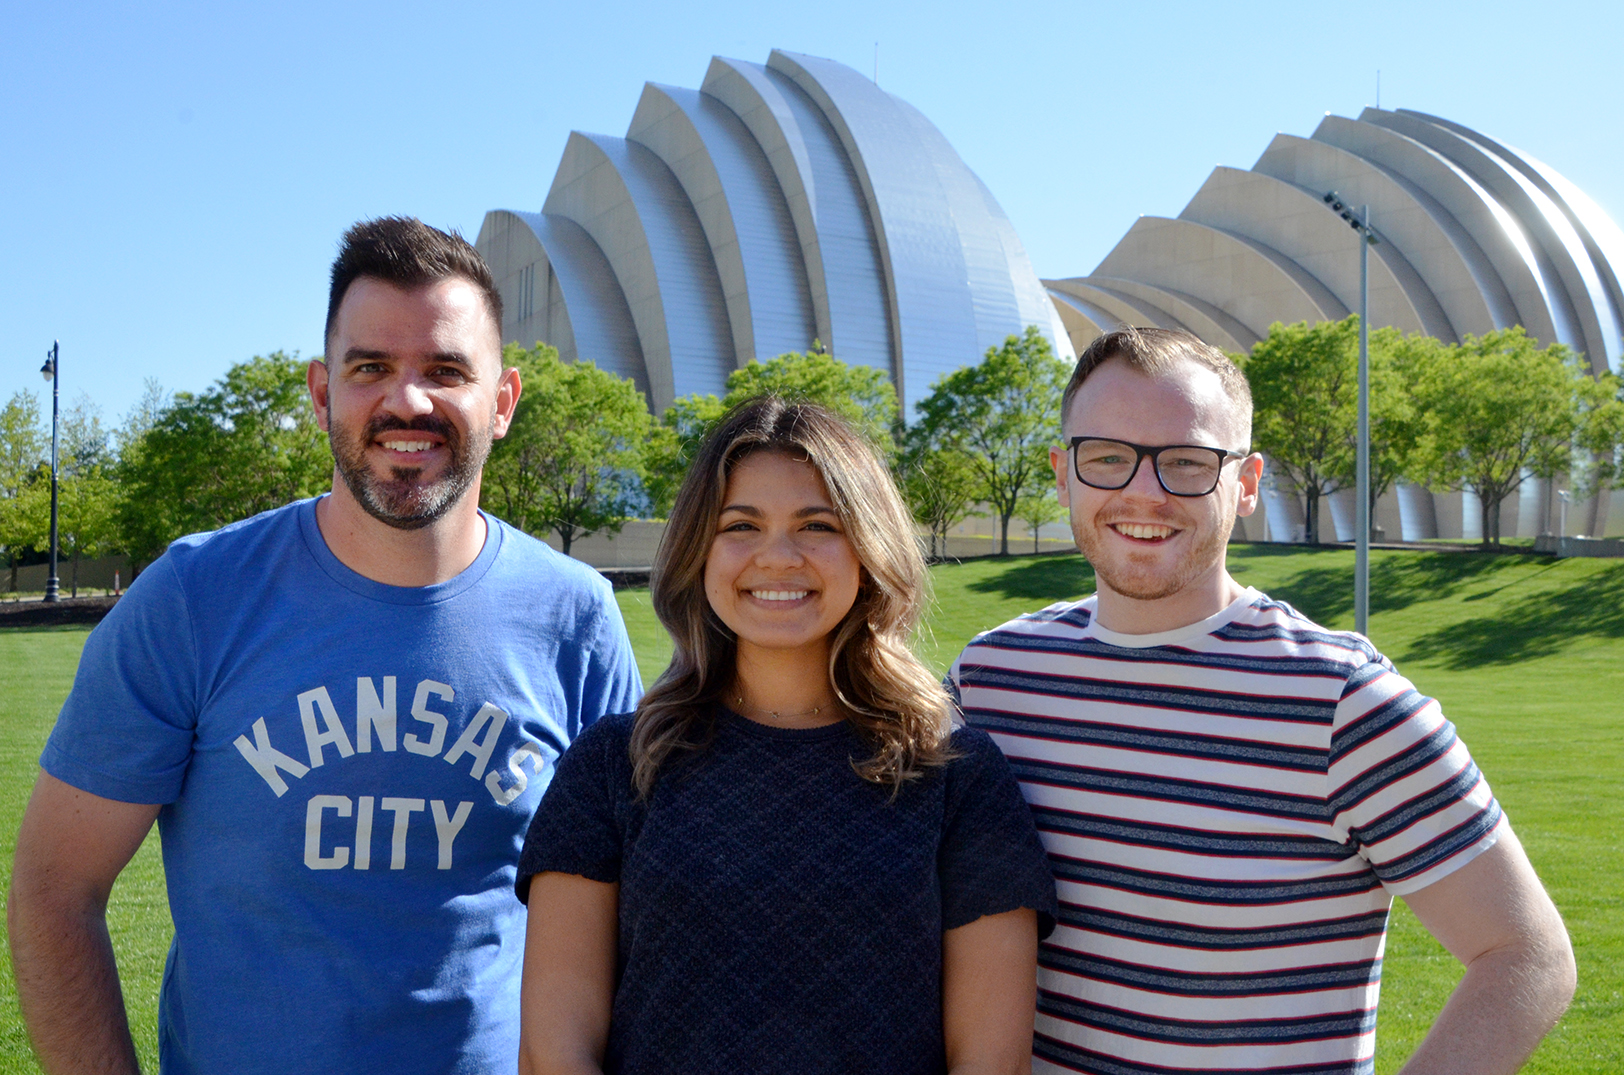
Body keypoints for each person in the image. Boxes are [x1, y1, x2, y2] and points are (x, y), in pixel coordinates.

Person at [7, 217, 642, 1075]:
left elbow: (630, 910)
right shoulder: (194, 598)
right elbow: (55, 889)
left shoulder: (577, 617)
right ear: (320, 393)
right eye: (370, 366)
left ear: (502, 403)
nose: (407, 401)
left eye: (446, 370)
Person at [949, 326, 1576, 1075]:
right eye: (1107, 457)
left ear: (1245, 484)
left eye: (1186, 461)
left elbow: (1527, 956)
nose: (1142, 490)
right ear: (1063, 474)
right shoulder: (992, 678)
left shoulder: (1344, 700)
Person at [515, 397, 1058, 1075]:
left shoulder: (959, 776)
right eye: (741, 524)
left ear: (867, 548)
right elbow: (553, 1052)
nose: (778, 556)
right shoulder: (611, 766)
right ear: (698, 551)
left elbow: (991, 1061)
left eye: (817, 524)